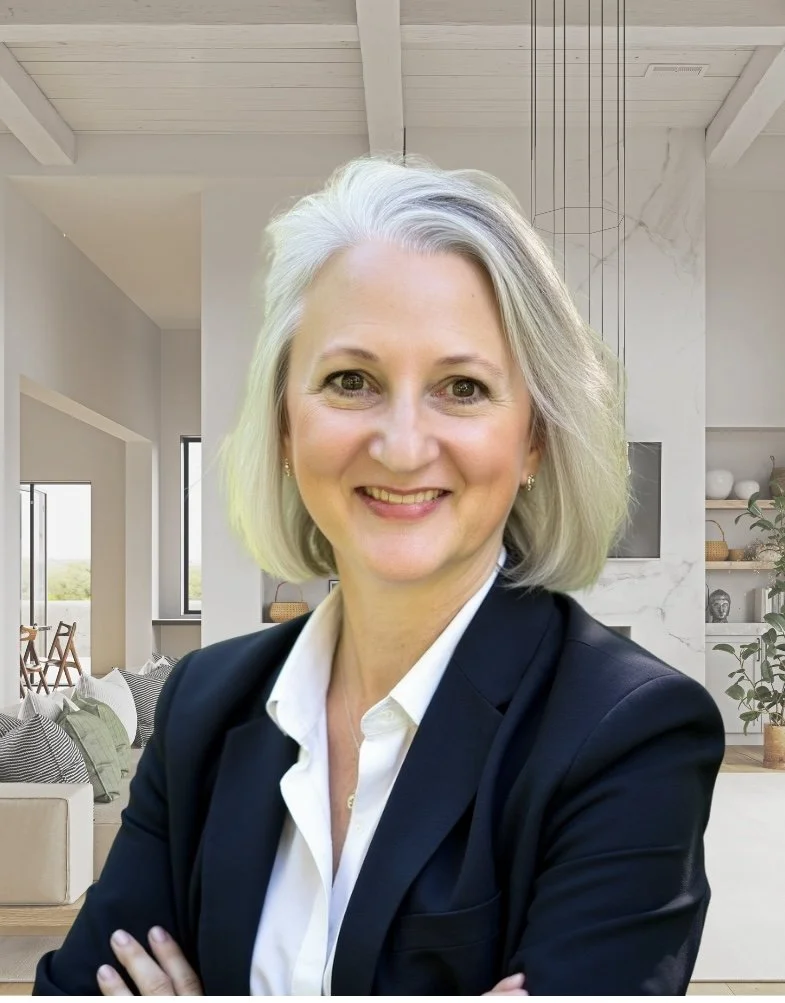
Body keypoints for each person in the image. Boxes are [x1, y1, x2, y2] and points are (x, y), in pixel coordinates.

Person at [34, 155, 725, 996]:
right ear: (285, 425)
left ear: (534, 440)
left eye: (462, 386)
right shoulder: (202, 704)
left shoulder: (629, 733)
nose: (401, 446)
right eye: (350, 380)